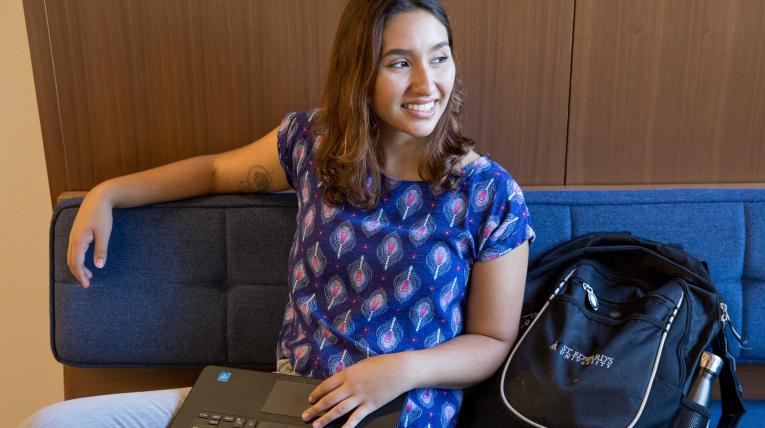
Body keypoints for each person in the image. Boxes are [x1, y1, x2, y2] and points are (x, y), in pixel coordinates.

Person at [21, 0, 535, 427]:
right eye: (399, 62)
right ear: (360, 72)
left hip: (400, 411)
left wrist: (399, 371)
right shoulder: (315, 144)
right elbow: (217, 170)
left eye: (439, 58)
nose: (427, 84)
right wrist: (109, 193)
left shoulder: (489, 194)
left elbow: (491, 340)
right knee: (50, 423)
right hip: (285, 405)